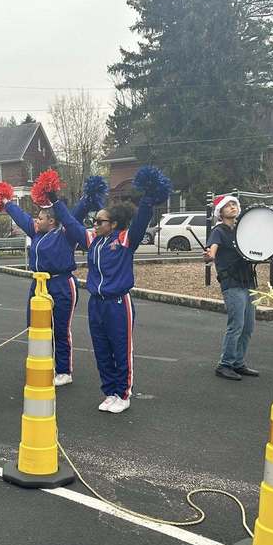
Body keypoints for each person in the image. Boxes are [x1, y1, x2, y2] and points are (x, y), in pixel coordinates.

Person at [52, 165, 171, 413]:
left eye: (100, 221)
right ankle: (109, 392)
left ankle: (123, 394)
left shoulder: (125, 239)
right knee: (102, 349)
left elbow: (140, 221)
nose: (94, 224)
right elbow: (70, 223)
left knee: (120, 348)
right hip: (96, 303)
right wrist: (55, 200)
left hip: (118, 303)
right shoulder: (93, 241)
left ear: (113, 223)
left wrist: (148, 199)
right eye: (94, 221)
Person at [1, 176, 106, 386]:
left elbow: (72, 214)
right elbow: (22, 218)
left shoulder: (65, 234)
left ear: (51, 220)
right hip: (38, 285)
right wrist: (7, 203)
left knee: (60, 328)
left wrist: (86, 199)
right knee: (36, 327)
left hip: (62, 284)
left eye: (40, 218)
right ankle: (43, 363)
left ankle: (64, 371)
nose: (36, 221)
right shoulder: (36, 233)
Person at [203, 195, 259, 381]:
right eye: (227, 205)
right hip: (232, 283)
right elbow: (212, 250)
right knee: (236, 324)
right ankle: (225, 364)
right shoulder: (218, 231)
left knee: (249, 326)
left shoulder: (240, 231)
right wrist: (209, 256)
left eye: (234, 204)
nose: (232, 207)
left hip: (248, 281)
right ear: (220, 211)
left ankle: (238, 362)